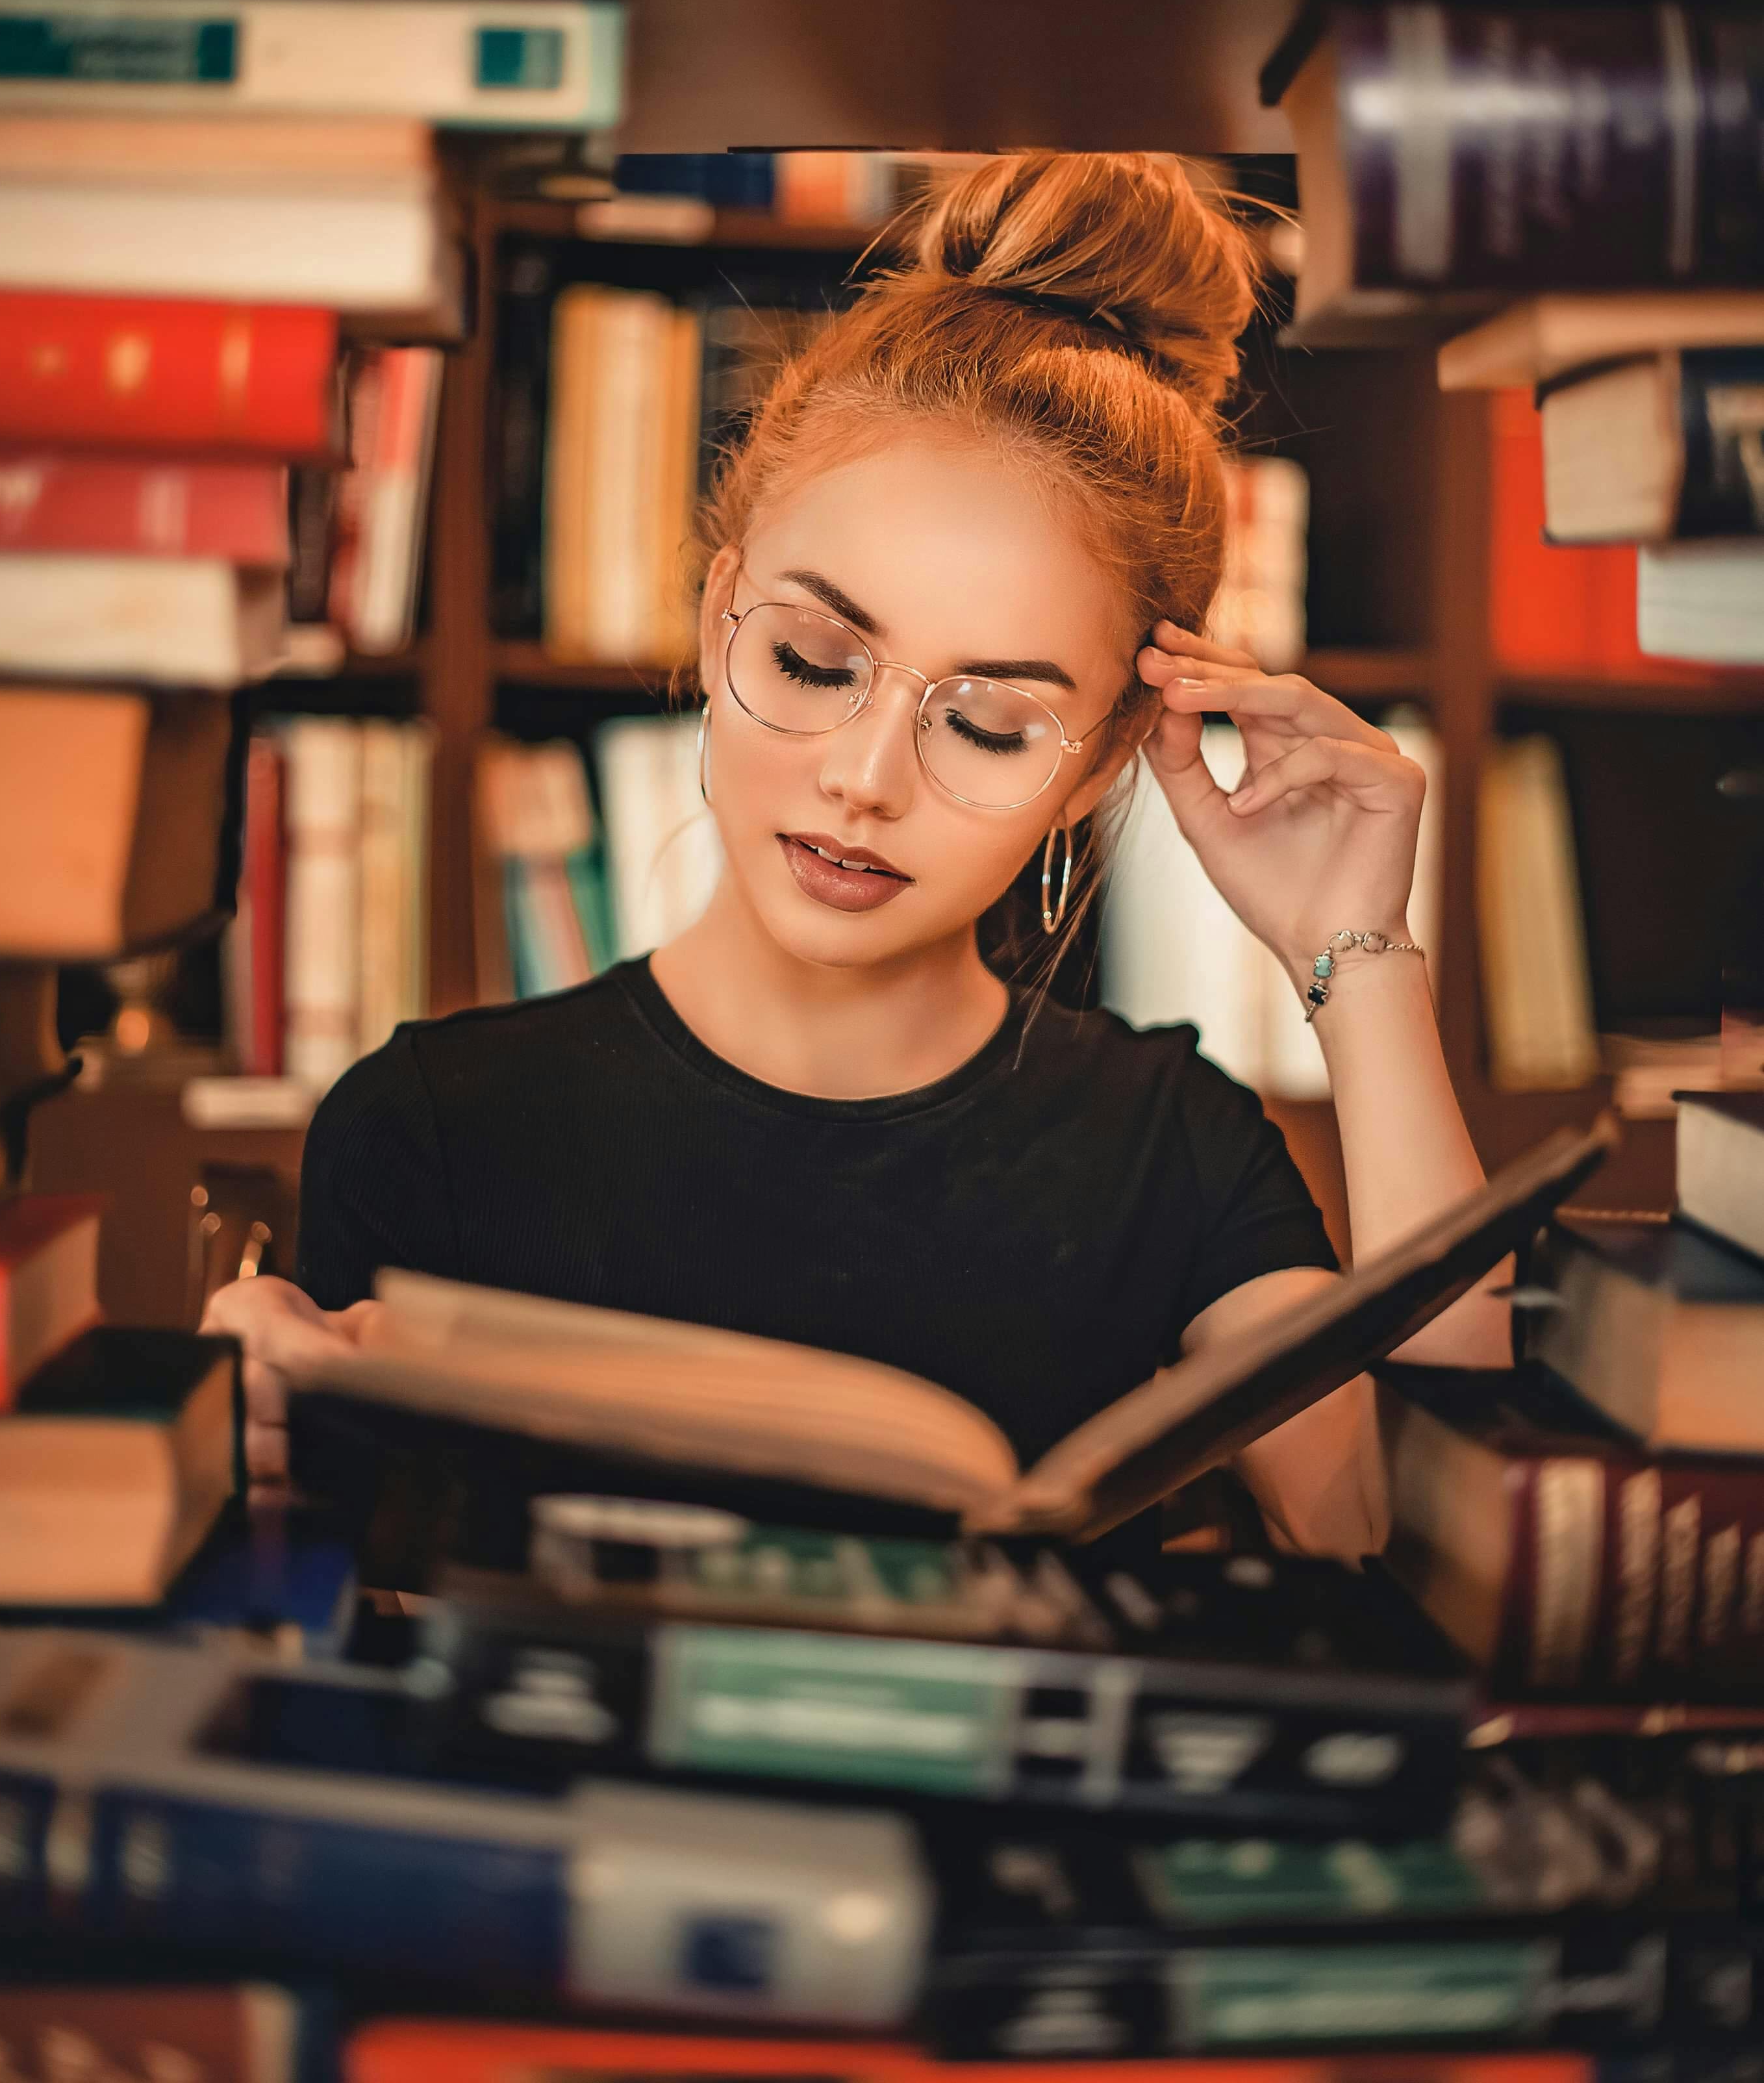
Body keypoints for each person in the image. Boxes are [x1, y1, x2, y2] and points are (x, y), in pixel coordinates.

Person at [205, 150, 1507, 1559]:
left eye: (992, 723)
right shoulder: (427, 1130)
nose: (863, 778)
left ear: (1101, 762)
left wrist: (1359, 963)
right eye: (816, 660)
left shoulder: (1168, 1151)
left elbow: (1436, 1552)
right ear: (719, 627)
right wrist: (222, 1442)